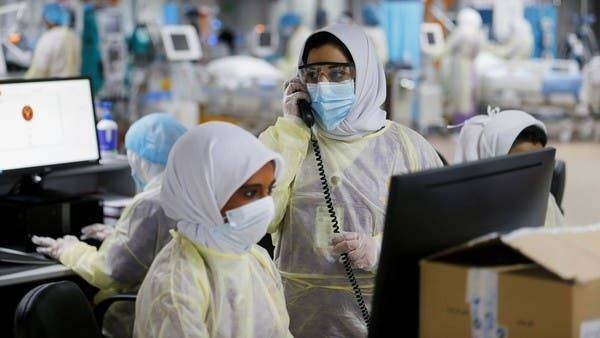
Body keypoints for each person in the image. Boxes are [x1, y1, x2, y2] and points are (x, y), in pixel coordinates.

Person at [259, 24, 443, 337]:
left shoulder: (409, 148)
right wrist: (292, 130)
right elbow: (260, 219)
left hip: (381, 317)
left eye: (338, 74)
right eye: (313, 75)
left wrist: (382, 249)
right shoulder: (287, 141)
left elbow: (441, 231)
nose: (323, 84)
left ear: (365, 74)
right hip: (297, 321)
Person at [32, 113, 187, 338]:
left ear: (142, 160)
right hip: (180, 316)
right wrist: (118, 236)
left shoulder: (149, 203)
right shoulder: (190, 192)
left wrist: (68, 250)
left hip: (139, 320)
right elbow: (166, 244)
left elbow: (110, 271)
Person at [134, 122, 292, 338]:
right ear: (204, 194)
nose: (265, 206)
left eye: (269, 190)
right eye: (250, 193)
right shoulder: (175, 285)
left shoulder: (256, 259)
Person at [454, 109, 565, 227]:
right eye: (520, 165)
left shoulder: (545, 204)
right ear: (491, 157)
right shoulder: (465, 211)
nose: (531, 176)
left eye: (538, 163)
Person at [440, 7, 485, 124]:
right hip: (471, 66)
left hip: (459, 67)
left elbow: (447, 48)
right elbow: (480, 50)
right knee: (470, 98)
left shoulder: (461, 31)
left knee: (459, 97)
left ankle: (459, 127)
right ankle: (470, 127)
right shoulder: (477, 33)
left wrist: (433, 54)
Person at [25, 3, 81, 79]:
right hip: (74, 84)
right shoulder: (73, 36)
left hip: (54, 85)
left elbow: (39, 68)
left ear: (48, 19)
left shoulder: (48, 38)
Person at [277, 12, 313, 78]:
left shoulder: (303, 36)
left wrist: (285, 68)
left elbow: (300, 61)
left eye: (286, 26)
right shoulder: (297, 34)